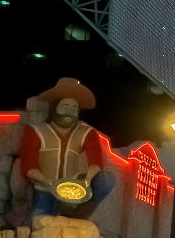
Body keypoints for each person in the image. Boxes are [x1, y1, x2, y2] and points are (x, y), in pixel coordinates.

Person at [18, 78, 114, 219]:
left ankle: (79, 214)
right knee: (40, 225)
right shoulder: (36, 131)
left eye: (74, 108)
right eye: (65, 106)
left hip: (74, 187)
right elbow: (28, 167)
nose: (70, 111)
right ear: (55, 107)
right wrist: (49, 183)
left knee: (106, 180)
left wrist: (86, 182)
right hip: (45, 188)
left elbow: (96, 163)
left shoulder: (87, 133)